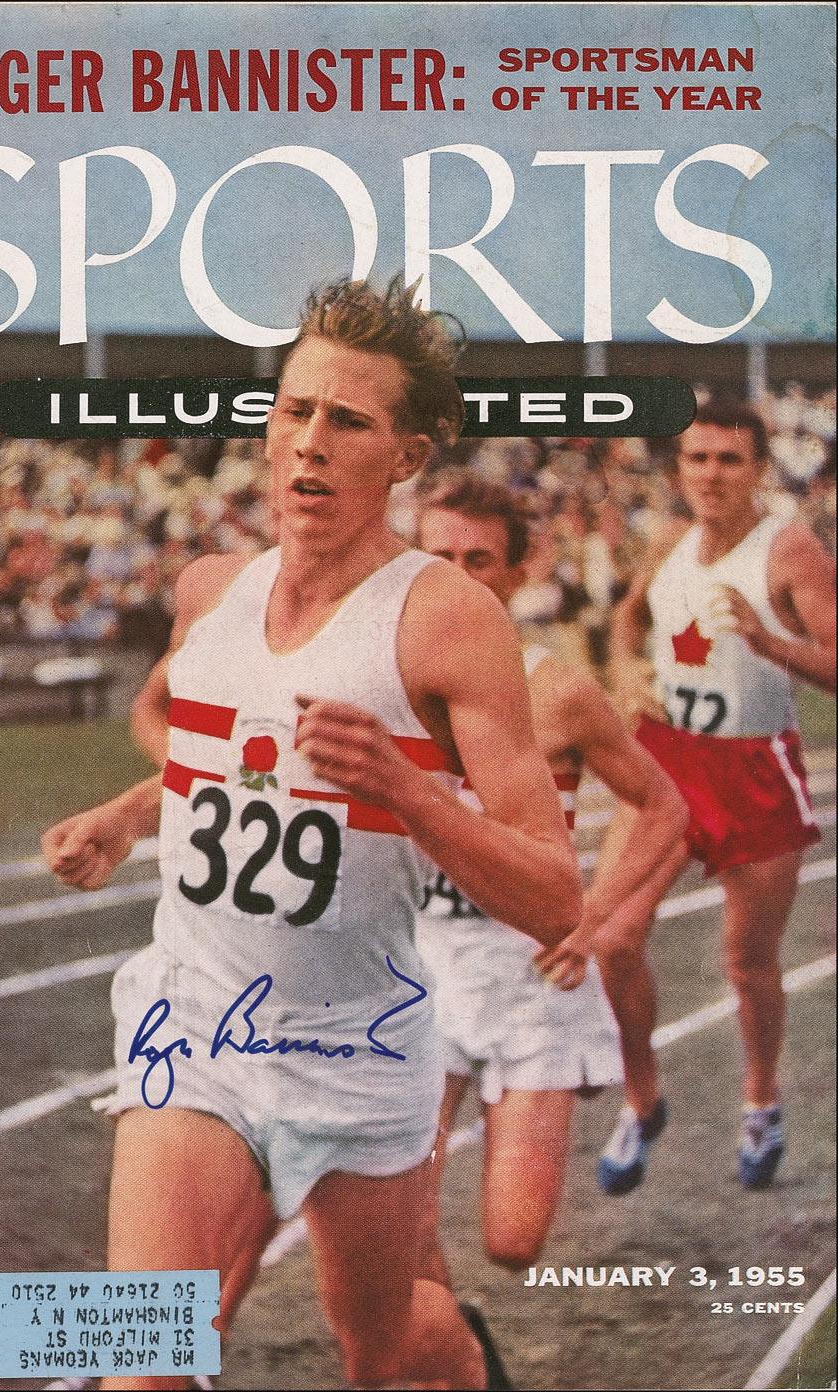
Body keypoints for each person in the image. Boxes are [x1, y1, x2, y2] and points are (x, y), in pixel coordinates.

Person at [42, 278, 582, 1392]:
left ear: (407, 457)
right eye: (295, 410)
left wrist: (408, 789)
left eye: (348, 421)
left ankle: (464, 1361)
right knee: (139, 1361)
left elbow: (552, 895)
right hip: (197, 1026)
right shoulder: (211, 592)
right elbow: (210, 752)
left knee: (380, 1356)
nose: (310, 443)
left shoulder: (446, 619)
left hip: (358, 1048)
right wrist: (129, 814)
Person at [411, 471, 688, 1299]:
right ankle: (452, 1354)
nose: (458, 577)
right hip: (415, 969)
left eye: (479, 559)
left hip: (532, 974)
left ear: (519, 569)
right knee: (398, 1224)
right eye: (439, 557)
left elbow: (662, 805)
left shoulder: (558, 692)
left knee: (513, 1241)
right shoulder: (385, 677)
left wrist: (593, 919)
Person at [605, 397, 835, 1193]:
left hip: (753, 771)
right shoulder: (670, 540)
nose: (711, 474)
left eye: (730, 460)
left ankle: (761, 1100)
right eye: (698, 459)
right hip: (668, 766)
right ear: (678, 469)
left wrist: (768, 640)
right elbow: (626, 620)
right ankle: (642, 1101)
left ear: (760, 470)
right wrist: (626, 671)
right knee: (613, 938)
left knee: (748, 960)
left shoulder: (790, 549)